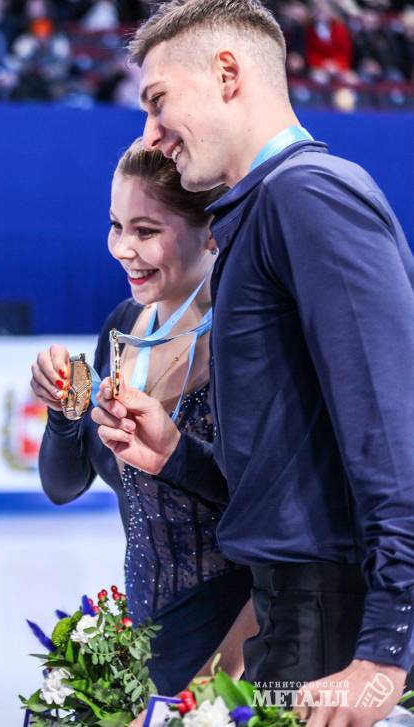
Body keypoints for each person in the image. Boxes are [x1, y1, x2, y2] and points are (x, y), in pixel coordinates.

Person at [97, 0, 414, 718]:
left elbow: (394, 439)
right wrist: (174, 452)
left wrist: (384, 650)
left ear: (228, 73)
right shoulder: (265, 209)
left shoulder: (309, 197)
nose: (150, 132)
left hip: (337, 624)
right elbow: (291, 477)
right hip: (296, 614)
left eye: (158, 100)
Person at [32, 139, 252, 694]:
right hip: (146, 637)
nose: (122, 249)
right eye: (115, 226)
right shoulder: (123, 325)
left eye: (146, 231)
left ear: (209, 230)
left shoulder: (244, 336)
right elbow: (65, 486)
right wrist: (65, 413)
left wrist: (174, 451)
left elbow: (273, 503)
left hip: (241, 635)